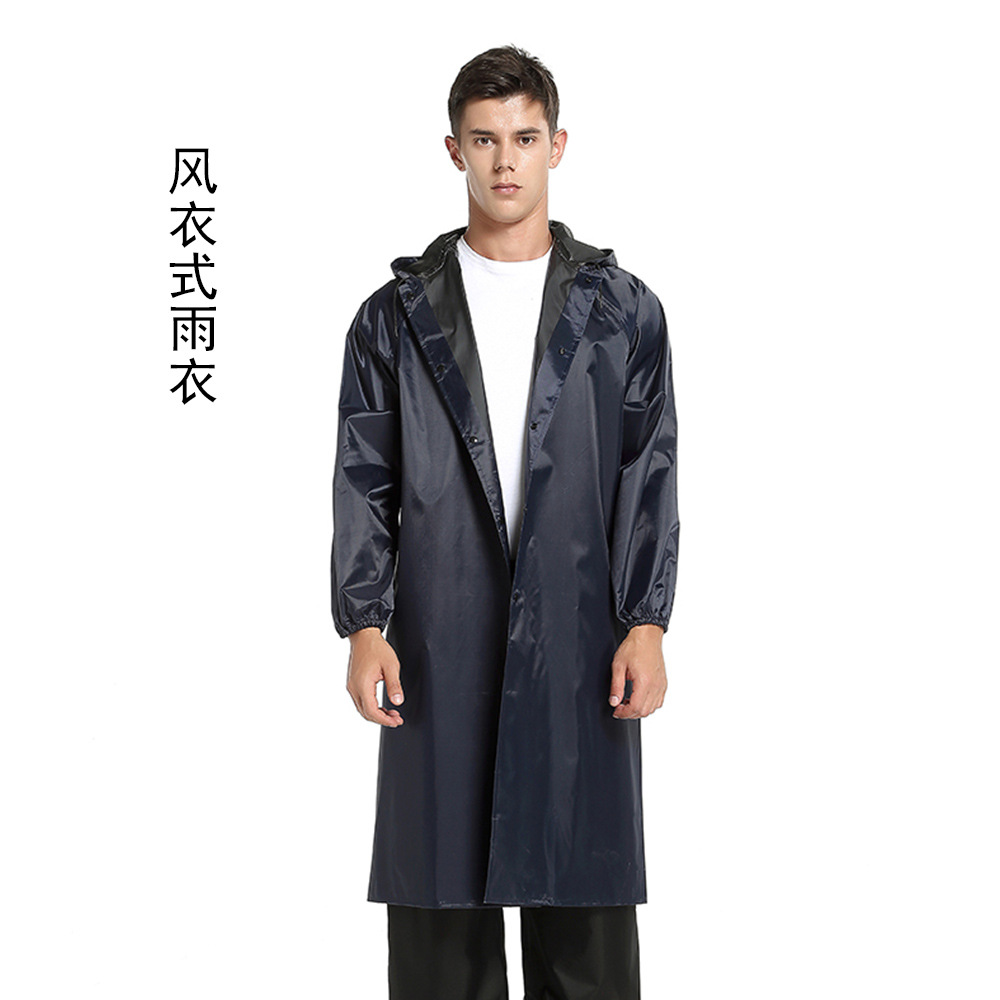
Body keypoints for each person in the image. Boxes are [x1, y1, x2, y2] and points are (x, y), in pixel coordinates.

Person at [331, 44, 679, 1000]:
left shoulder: (622, 311)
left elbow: (648, 468)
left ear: (557, 145)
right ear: (454, 151)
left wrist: (647, 620)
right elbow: (364, 475)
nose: (505, 160)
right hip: (437, 635)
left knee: (586, 927)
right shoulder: (393, 318)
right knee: (442, 936)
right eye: (484, 140)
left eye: (524, 138)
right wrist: (364, 624)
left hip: (581, 633)